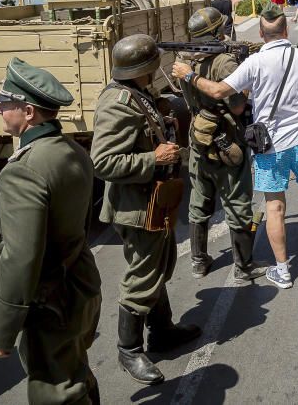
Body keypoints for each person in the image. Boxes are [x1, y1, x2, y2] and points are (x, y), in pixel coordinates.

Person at [173, 4, 298, 289]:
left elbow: (221, 91)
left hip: (267, 144)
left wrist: (189, 75)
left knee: (273, 207)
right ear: (286, 30)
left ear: (261, 32)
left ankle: (282, 271)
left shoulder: (253, 62)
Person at [0, 58, 102, 403]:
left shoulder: (25, 169)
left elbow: (21, 258)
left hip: (50, 301)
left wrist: (1, 330)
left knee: (56, 392)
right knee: (75, 373)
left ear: (28, 112)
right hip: (81, 285)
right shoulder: (72, 150)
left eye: (5, 103)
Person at [93, 35, 201, 385]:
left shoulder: (139, 95)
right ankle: (128, 349)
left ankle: (162, 330)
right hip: (137, 207)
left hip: (153, 202)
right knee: (143, 275)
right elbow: (104, 162)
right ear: (145, 67)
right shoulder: (118, 103)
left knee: (157, 266)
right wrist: (151, 159)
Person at [180, 9, 267, 283]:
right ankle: (244, 267)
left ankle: (198, 260)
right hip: (227, 140)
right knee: (237, 200)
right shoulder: (224, 63)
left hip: (198, 140)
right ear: (218, 33)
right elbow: (238, 106)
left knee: (200, 199)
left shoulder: (183, 60)